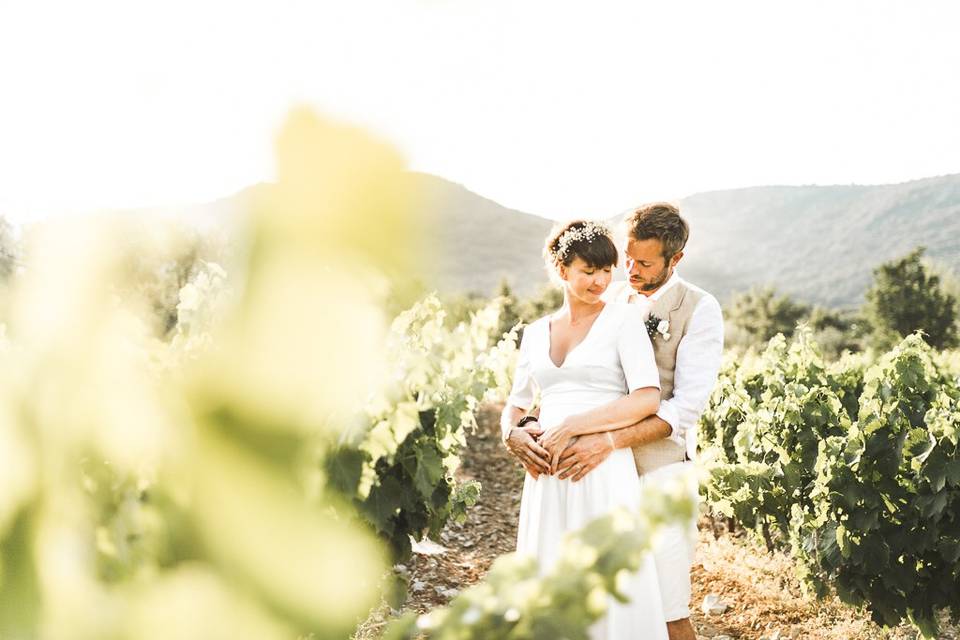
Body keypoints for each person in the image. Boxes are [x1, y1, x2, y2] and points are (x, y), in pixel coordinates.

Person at [552, 202, 724, 640]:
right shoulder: (609, 300)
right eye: (627, 257)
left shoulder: (699, 308)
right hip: (603, 474)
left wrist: (609, 441)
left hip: (661, 471)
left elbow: (684, 408)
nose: (630, 269)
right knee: (610, 604)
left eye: (644, 262)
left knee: (670, 610)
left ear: (675, 259)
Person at [500, 219, 668, 640]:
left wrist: (575, 424)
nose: (601, 280)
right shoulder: (537, 332)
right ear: (562, 270)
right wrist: (512, 434)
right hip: (547, 476)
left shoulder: (623, 321)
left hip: (601, 468)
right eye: (588, 271)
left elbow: (647, 398)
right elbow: (517, 402)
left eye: (607, 270)